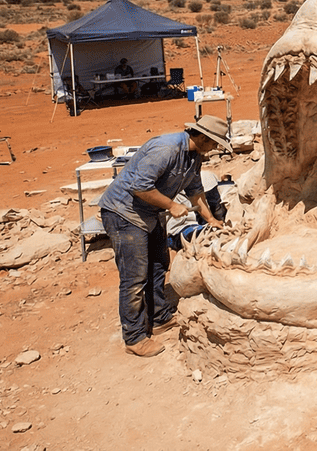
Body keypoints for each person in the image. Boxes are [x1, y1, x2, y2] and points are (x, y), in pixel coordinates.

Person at [99, 115, 231, 357]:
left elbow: (196, 192)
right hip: (124, 213)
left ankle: (159, 317)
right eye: (214, 143)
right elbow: (139, 187)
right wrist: (171, 205)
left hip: (150, 213)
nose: (215, 148)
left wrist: (212, 220)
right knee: (134, 277)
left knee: (159, 264)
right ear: (202, 137)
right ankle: (134, 337)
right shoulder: (166, 148)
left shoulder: (193, 158)